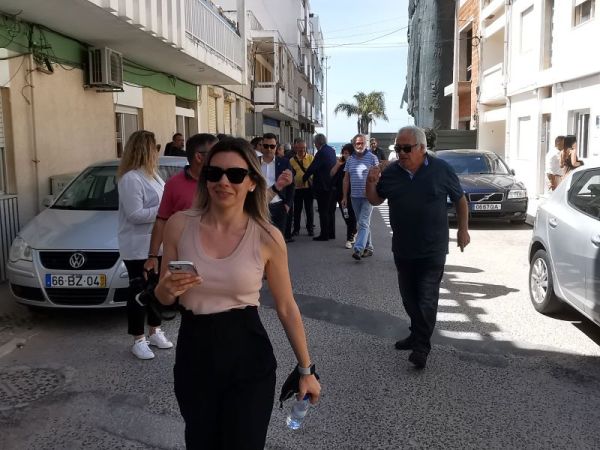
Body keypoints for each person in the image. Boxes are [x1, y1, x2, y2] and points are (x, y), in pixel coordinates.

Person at [153, 138, 321, 448]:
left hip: (249, 357)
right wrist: (163, 290)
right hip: (194, 355)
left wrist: (306, 370)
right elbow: (165, 299)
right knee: (200, 442)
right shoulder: (179, 225)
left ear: (253, 182)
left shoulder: (268, 236)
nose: (223, 182)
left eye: (235, 175)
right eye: (214, 173)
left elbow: (286, 305)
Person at [366, 125, 470, 369]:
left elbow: (460, 199)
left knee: (427, 297)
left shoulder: (441, 169)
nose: (401, 153)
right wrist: (371, 182)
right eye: (398, 148)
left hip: (433, 247)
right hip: (403, 247)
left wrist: (462, 230)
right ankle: (416, 334)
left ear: (422, 148)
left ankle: (422, 347)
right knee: (409, 298)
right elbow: (375, 199)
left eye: (406, 148)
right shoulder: (392, 173)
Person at [117, 130, 173, 360]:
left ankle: (155, 330)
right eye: (155, 148)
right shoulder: (131, 178)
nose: (157, 152)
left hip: (156, 245)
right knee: (139, 292)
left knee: (155, 290)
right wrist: (164, 211)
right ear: (145, 150)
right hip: (138, 247)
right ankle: (138, 339)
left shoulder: (153, 176)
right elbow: (135, 214)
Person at [144, 134, 218, 275]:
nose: (220, 156)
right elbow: (162, 220)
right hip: (186, 259)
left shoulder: (222, 182)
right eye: (215, 152)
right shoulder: (174, 184)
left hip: (219, 255)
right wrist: (153, 256)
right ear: (199, 157)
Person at [342, 133, 379, 259]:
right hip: (354, 197)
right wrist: (344, 197)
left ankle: (358, 249)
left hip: (368, 197)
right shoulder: (350, 160)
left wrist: (373, 191)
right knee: (363, 223)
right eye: (358, 143)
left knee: (363, 222)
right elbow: (346, 179)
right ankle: (369, 247)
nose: (360, 145)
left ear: (366, 144)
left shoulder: (372, 158)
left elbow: (378, 177)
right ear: (354, 145)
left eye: (362, 143)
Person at [302, 133, 337, 241]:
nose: (315, 145)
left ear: (317, 143)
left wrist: (304, 178)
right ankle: (331, 233)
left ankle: (324, 234)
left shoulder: (321, 153)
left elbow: (313, 167)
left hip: (323, 186)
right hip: (332, 184)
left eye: (315, 143)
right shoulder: (331, 150)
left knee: (323, 211)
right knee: (330, 211)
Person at [261, 133, 295, 237]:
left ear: (276, 147)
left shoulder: (284, 163)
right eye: (266, 146)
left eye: (272, 146)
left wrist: (287, 205)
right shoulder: (254, 162)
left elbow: (291, 185)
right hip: (259, 206)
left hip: (279, 206)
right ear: (262, 146)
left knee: (278, 239)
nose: (269, 149)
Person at [331, 143, 357, 249]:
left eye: (347, 153)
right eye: (344, 153)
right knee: (345, 215)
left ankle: (349, 238)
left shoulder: (354, 165)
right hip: (339, 194)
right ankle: (354, 231)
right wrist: (338, 164)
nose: (345, 155)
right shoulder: (341, 163)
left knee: (351, 215)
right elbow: (331, 173)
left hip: (351, 194)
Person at [289, 138, 315, 237]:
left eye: (304, 148)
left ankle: (310, 229)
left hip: (308, 188)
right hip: (297, 188)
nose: (302, 150)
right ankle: (296, 229)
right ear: (296, 148)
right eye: (300, 148)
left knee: (309, 209)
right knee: (297, 210)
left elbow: (314, 172)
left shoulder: (311, 158)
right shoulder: (291, 160)